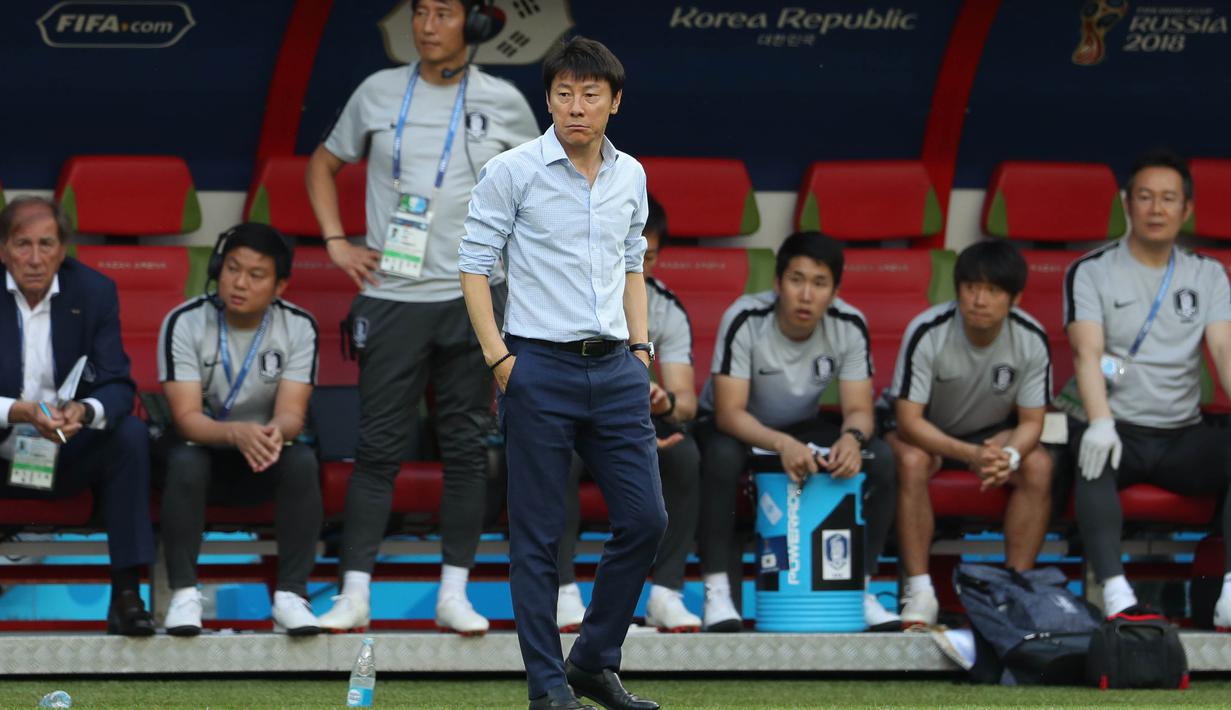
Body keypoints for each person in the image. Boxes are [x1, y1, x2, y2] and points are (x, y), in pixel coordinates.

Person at [305, 0, 538, 635]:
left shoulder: (506, 101)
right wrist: (335, 241)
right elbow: (323, 164)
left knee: (466, 449)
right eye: (421, 12)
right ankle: (354, 593)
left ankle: (453, 594)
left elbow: (545, 188)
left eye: (443, 13)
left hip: (474, 298)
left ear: (476, 25)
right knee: (377, 447)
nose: (427, 25)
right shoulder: (378, 91)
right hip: (393, 297)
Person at [459, 36, 663, 710]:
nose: (576, 106)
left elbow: (632, 264)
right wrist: (500, 361)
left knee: (646, 520)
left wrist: (640, 351)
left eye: (590, 93)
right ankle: (547, 689)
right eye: (564, 93)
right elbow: (474, 268)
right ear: (547, 99)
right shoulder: (512, 170)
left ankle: (592, 661)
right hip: (535, 366)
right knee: (537, 538)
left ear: (614, 101)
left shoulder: (630, 173)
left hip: (616, 370)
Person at [696, 231, 900, 632]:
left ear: (835, 291)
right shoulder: (745, 317)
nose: (806, 294)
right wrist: (781, 444)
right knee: (719, 457)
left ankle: (861, 587)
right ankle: (716, 592)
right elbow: (728, 412)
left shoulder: (849, 324)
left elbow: (859, 409)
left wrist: (851, 439)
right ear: (777, 283)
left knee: (880, 459)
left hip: (799, 425)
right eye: (797, 280)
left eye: (820, 283)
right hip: (736, 426)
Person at [1064, 149, 1231, 624]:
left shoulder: (1208, 273)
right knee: (1091, 453)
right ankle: (1117, 594)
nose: (1156, 209)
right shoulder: (1091, 270)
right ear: (1126, 204)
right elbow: (1087, 355)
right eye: (1145, 197)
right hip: (1120, 428)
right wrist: (1100, 422)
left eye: (1168, 199)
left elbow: (1223, 351)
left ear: (1187, 209)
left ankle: (1230, 596)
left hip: (1182, 434)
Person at [156, 223, 322, 636]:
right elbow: (187, 418)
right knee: (185, 460)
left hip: (262, 452)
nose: (240, 283)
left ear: (280, 285)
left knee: (301, 459)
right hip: (202, 450)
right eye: (232, 268)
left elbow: (291, 415)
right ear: (217, 269)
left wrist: (267, 434)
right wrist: (236, 433)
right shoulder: (185, 322)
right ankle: (183, 594)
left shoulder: (299, 326)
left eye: (256, 274)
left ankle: (291, 595)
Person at [0, 196, 155, 636]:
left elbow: (117, 382)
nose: (34, 258)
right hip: (3, 447)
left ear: (63, 249)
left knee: (129, 435)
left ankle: (127, 595)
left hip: (63, 451)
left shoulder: (94, 292)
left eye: (46, 244)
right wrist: (21, 411)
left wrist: (84, 412)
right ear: (2, 250)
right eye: (22, 244)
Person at [884, 240, 1053, 627]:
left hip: (991, 434)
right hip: (928, 429)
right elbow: (908, 420)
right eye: (971, 288)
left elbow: (1031, 421)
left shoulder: (1030, 337)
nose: (979, 300)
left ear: (1014, 299)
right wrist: (970, 455)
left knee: (1038, 465)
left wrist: (1007, 457)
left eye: (993, 290)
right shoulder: (928, 330)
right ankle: (920, 590)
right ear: (957, 290)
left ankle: (1014, 589)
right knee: (911, 461)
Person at [556, 196, 703, 634]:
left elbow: (687, 402)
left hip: (633, 416)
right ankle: (563, 593)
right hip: (572, 411)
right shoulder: (567, 292)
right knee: (555, 454)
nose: (636, 262)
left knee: (684, 453)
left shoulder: (665, 307)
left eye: (648, 255)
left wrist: (663, 402)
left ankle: (666, 594)